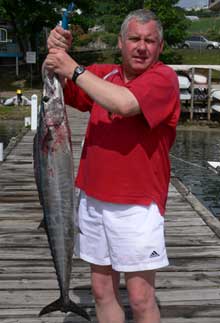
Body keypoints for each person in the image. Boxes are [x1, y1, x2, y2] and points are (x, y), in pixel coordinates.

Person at [44, 9, 180, 323]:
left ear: (159, 47)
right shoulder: (103, 74)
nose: (141, 46)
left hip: (137, 205)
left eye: (150, 40)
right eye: (134, 39)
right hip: (91, 202)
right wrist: (53, 52)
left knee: (140, 297)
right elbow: (54, 83)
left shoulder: (164, 78)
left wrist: (74, 68)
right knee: (102, 291)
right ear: (120, 42)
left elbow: (124, 103)